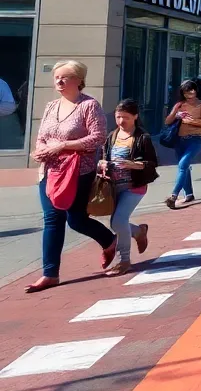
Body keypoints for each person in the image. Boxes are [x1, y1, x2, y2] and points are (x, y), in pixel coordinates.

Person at [26, 60, 117, 294]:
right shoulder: (51, 106)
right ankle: (50, 274)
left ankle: (109, 240)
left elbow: (98, 137)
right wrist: (40, 151)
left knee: (76, 220)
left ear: (79, 80)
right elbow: (42, 137)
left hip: (78, 171)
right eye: (57, 77)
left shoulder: (89, 106)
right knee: (52, 219)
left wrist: (65, 145)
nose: (59, 81)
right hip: (50, 171)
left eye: (65, 77)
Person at [98, 99, 158, 276]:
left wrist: (132, 164)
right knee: (117, 222)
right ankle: (139, 231)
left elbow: (152, 163)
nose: (121, 121)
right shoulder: (113, 136)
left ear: (135, 117)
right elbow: (104, 157)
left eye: (126, 117)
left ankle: (123, 260)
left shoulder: (142, 138)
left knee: (118, 221)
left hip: (135, 186)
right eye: (118, 117)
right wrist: (102, 163)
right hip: (113, 186)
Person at [163, 79, 201, 210]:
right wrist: (176, 114)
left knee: (183, 165)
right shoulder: (179, 104)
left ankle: (173, 196)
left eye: (191, 90)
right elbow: (167, 121)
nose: (189, 94)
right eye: (185, 92)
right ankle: (189, 194)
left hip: (196, 139)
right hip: (180, 139)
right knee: (184, 167)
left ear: (196, 90)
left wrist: (191, 121)